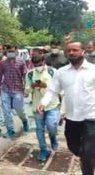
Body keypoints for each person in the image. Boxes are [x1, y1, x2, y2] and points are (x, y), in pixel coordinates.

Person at [38, 41, 95, 175]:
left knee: (87, 153)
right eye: (69, 50)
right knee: (73, 147)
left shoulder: (93, 70)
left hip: (91, 117)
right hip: (72, 118)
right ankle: (89, 155)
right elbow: (52, 90)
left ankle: (88, 161)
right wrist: (43, 102)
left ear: (83, 52)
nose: (71, 53)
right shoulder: (61, 72)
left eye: (75, 50)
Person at [25, 51, 60, 161]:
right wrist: (33, 86)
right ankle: (43, 150)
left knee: (51, 126)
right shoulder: (30, 74)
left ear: (44, 62)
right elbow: (26, 90)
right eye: (35, 65)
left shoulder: (52, 71)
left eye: (39, 65)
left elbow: (58, 88)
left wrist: (45, 85)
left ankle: (53, 138)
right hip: (37, 105)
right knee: (39, 129)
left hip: (52, 105)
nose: (38, 67)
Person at [0, 45, 29, 138]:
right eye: (9, 51)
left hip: (18, 90)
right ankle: (10, 130)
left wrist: (26, 88)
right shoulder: (3, 63)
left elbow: (25, 75)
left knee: (19, 109)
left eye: (12, 51)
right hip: (6, 89)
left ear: (16, 51)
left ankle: (25, 120)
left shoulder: (21, 62)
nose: (10, 53)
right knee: (6, 111)